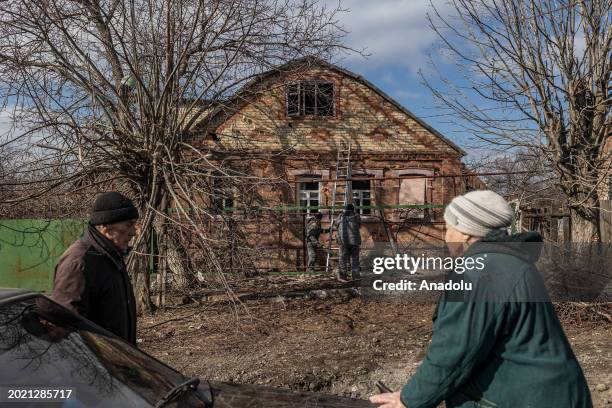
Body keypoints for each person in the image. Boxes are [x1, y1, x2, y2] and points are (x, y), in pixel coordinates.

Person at [369, 190, 592, 408]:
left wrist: (409, 400)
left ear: (465, 232)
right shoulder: (512, 262)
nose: (446, 237)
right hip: (552, 394)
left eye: (449, 228)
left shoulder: (478, 272)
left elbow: (454, 351)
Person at [52, 192, 139, 345]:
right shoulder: (79, 262)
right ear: (106, 228)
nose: (133, 232)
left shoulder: (110, 254)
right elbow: (67, 329)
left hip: (118, 359)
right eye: (128, 224)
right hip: (97, 364)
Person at [335, 203, 361, 280]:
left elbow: (336, 225)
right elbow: (359, 224)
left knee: (343, 258)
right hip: (354, 242)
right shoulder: (356, 217)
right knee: (355, 259)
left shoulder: (340, 216)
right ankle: (355, 276)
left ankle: (343, 276)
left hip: (343, 242)